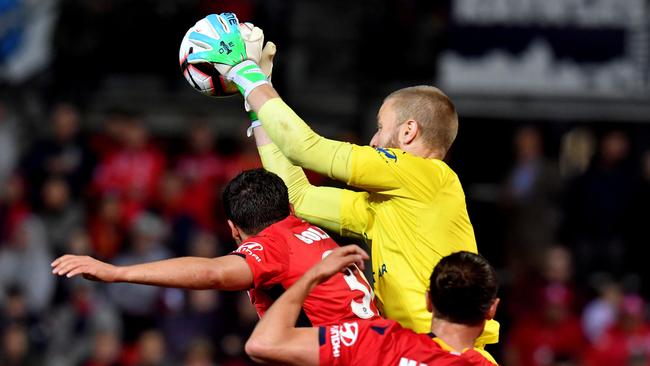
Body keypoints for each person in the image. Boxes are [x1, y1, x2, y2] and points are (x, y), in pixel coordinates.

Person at [183, 12, 497, 344]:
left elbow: (305, 147)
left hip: (450, 357)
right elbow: (297, 196)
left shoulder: (426, 174)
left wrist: (245, 74)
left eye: (380, 126)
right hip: (412, 354)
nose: (374, 140)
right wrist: (258, 99)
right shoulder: (387, 207)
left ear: (408, 131)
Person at [52, 169, 378, 326]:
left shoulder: (273, 247)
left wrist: (116, 272)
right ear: (288, 207)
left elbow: (213, 273)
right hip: (376, 344)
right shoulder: (305, 227)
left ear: (232, 229)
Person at [245, 246, 499, 365]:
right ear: (491, 310)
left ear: (428, 301)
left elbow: (264, 344)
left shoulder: (378, 342)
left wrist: (312, 277)